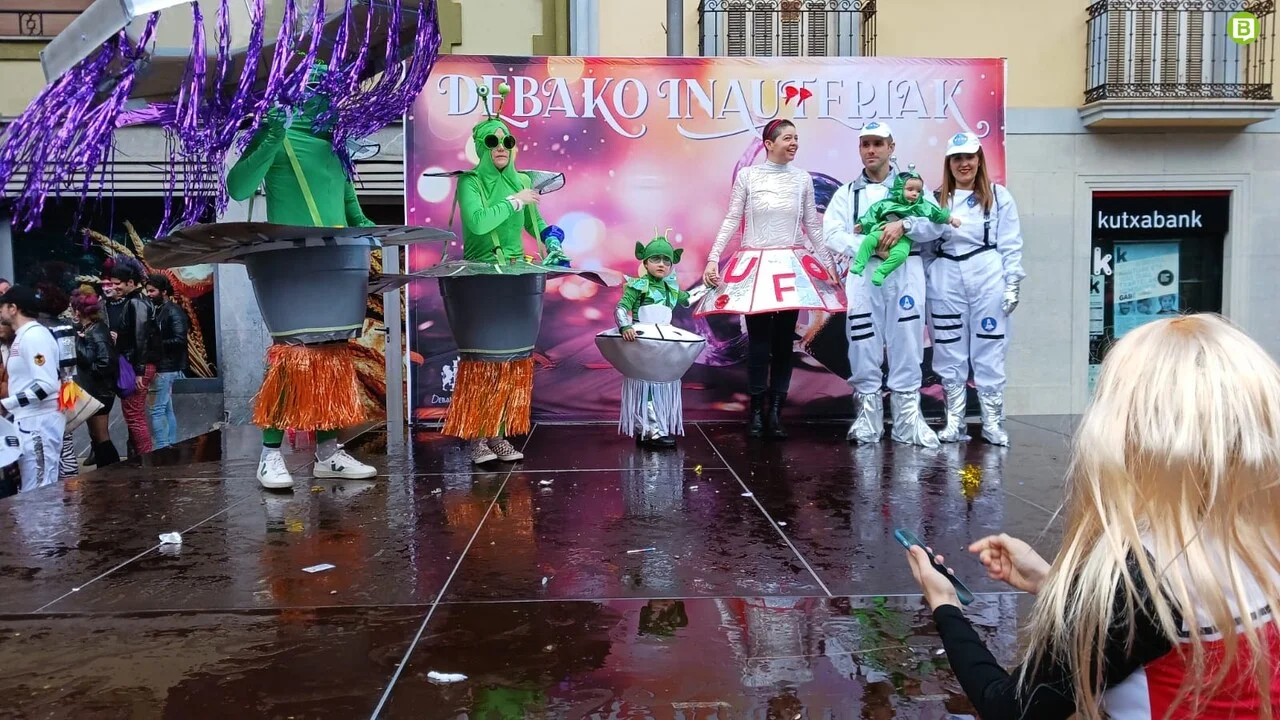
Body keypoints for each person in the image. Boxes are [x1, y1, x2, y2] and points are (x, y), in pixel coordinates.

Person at [907, 314, 1280, 719]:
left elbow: (1009, 708)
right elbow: (1135, 636)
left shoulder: (1143, 577)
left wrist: (945, 605)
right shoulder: (1264, 541)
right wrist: (1054, 585)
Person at [225, 63, 380, 489]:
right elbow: (238, 187)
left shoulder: (336, 146)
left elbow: (352, 210)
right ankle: (270, 455)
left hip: (337, 263)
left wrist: (381, 235)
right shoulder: (278, 133)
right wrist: (271, 135)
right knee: (293, 359)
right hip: (290, 266)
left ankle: (328, 454)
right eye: (318, 88)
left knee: (330, 358)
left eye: (332, 89)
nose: (328, 97)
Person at [442, 83, 569, 465]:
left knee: (511, 361)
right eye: (492, 140)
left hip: (517, 278)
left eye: (507, 141)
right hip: (480, 280)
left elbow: (535, 223)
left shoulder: (522, 181)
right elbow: (478, 224)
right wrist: (514, 201)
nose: (501, 146)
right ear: (480, 147)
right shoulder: (470, 182)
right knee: (483, 360)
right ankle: (477, 438)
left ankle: (497, 435)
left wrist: (553, 239)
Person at [699, 115, 841, 439]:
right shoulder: (749, 176)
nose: (794, 143)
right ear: (768, 143)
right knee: (759, 343)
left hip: (791, 267)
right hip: (756, 267)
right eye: (788, 138)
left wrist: (828, 263)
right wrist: (712, 259)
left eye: (796, 138)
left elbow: (812, 225)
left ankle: (776, 412)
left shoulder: (801, 179)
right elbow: (732, 219)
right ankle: (755, 412)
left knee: (783, 342)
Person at [823, 121, 950, 448]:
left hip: (906, 271)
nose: (871, 150)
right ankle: (867, 421)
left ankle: (908, 422)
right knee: (862, 341)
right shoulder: (848, 193)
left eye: (878, 143)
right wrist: (868, 245)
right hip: (865, 274)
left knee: (907, 341)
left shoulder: (913, 187)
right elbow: (832, 233)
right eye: (865, 144)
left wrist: (904, 225)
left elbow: (936, 225)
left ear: (891, 147)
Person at [926, 132, 1024, 445]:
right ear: (948, 163)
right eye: (957, 158)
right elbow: (924, 245)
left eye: (969, 157)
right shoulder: (935, 199)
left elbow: (1011, 242)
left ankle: (992, 423)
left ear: (979, 159)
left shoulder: (998, 196)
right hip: (946, 278)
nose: (964, 164)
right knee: (948, 349)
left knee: (990, 347)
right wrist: (929, 278)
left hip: (987, 274)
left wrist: (1012, 283)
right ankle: (954, 422)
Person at [613, 234, 694, 448]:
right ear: (645, 262)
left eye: (666, 260)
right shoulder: (638, 285)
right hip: (643, 343)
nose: (661, 264)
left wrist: (711, 287)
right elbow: (621, 307)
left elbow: (690, 299)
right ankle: (651, 431)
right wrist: (625, 326)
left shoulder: (670, 289)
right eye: (656, 259)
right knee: (647, 385)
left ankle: (650, 429)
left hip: (663, 344)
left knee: (660, 383)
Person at [0, 286, 66, 491]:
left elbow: (46, 384)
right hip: (30, 421)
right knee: (34, 485)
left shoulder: (34, 336)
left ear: (13, 308)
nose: (0, 312)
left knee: (40, 487)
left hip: (39, 423)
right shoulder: (25, 336)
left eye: (2, 307)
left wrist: (8, 403)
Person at [851, 168, 960, 286]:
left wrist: (950, 219)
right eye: (910, 189)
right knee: (869, 240)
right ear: (899, 189)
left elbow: (936, 213)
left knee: (901, 255)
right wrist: (862, 225)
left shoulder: (921, 206)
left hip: (904, 239)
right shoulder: (886, 204)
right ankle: (859, 264)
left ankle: (881, 272)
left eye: (918, 191)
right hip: (882, 231)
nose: (914, 193)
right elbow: (872, 214)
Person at [104, 256, 155, 456]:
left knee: (134, 416)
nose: (114, 287)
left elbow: (141, 338)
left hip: (137, 366)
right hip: (137, 364)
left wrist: (140, 372)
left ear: (131, 283)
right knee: (135, 415)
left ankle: (145, 458)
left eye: (118, 284)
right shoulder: (137, 302)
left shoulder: (136, 303)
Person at [70, 287, 120, 468]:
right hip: (95, 390)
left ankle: (112, 471)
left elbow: (105, 362)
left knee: (101, 436)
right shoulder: (91, 329)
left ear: (78, 311)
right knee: (96, 436)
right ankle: (104, 471)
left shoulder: (97, 331)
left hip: (100, 391)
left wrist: (77, 341)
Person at [145, 274, 188, 450]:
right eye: (147, 291)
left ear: (163, 291)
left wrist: (154, 344)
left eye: (152, 291)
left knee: (157, 410)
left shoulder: (173, 311)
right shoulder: (160, 309)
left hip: (166, 367)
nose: (148, 294)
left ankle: (163, 447)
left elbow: (180, 339)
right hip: (165, 366)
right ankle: (169, 444)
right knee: (165, 408)